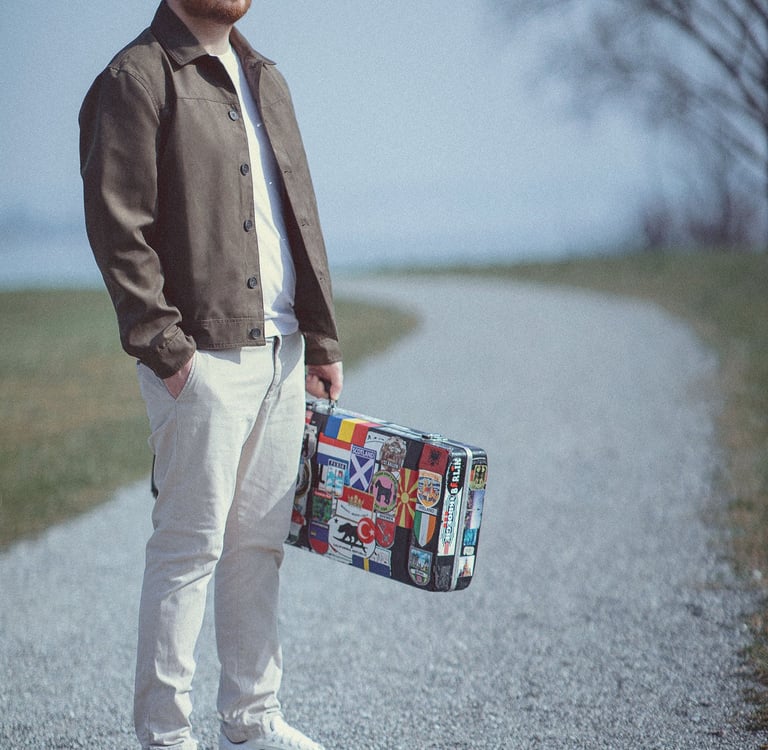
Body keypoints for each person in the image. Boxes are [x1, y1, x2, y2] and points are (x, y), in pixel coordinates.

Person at [79, 1, 343, 748]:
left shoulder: (264, 75)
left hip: (282, 352)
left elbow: (298, 213)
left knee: (258, 546)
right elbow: (118, 229)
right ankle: (165, 736)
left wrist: (320, 337)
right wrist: (169, 355)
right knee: (188, 551)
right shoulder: (135, 78)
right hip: (200, 361)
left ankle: (252, 722)